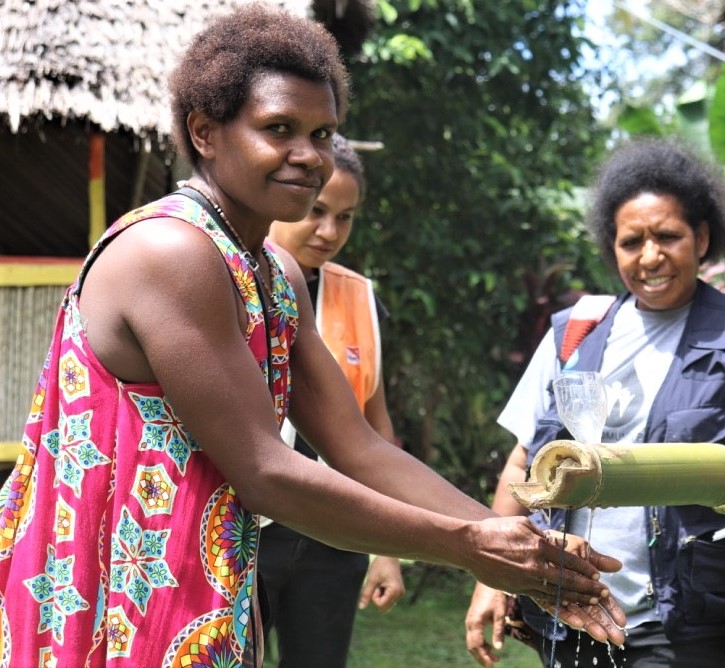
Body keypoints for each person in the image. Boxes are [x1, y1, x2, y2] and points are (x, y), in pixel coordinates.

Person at [0, 5, 627, 667]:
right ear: (205, 132)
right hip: (102, 604)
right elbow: (266, 472)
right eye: (279, 129)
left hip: (194, 603)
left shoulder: (275, 275)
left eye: (323, 133)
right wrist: (468, 547)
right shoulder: (169, 252)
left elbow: (355, 444)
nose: (310, 156)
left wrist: (511, 542)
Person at [465, 138, 725, 668]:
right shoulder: (574, 335)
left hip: (683, 621)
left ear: (702, 237)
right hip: (569, 611)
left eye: (668, 236)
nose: (650, 256)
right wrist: (491, 579)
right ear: (612, 248)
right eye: (632, 242)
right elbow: (523, 462)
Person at [259, 135, 405, 667]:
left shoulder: (359, 297)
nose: (328, 231)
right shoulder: (227, 278)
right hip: (244, 528)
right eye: (316, 211)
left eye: (344, 217)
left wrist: (386, 548)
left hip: (332, 535)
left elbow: (375, 423)